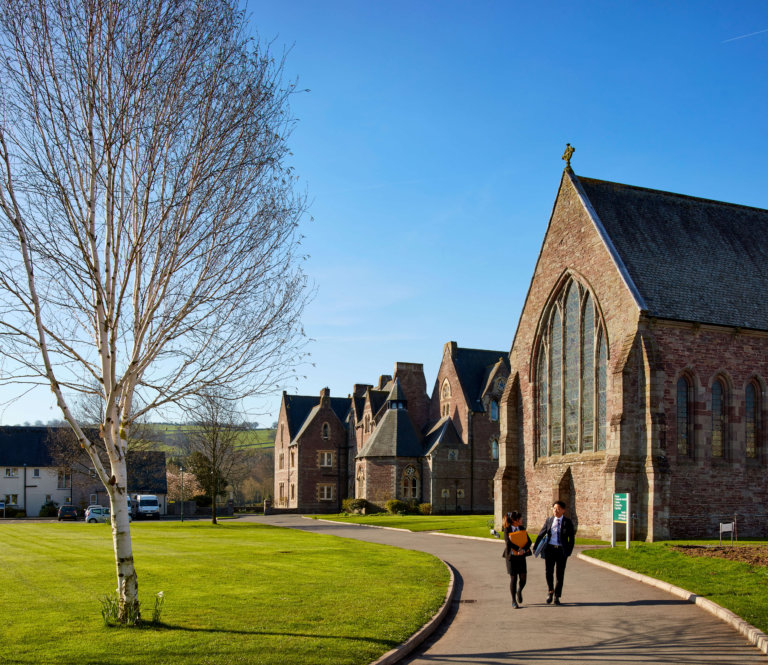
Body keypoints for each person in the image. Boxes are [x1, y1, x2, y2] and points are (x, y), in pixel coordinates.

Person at [533, 500, 575, 605]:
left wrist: (568, 551)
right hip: (550, 550)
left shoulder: (568, 522)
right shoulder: (549, 520)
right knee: (548, 572)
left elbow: (571, 539)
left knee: (560, 574)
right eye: (554, 508)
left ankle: (557, 596)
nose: (555, 511)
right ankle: (550, 591)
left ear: (563, 510)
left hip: (561, 551)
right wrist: (535, 546)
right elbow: (541, 533)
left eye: (558, 509)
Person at [502, 510, 532, 609]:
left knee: (523, 577)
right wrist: (518, 549)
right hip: (511, 557)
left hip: (521, 556)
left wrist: (523, 549)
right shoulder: (507, 529)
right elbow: (508, 542)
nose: (522, 520)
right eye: (520, 518)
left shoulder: (522, 528)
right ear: (515, 520)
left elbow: (529, 541)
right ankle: (513, 601)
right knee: (513, 578)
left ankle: (519, 591)